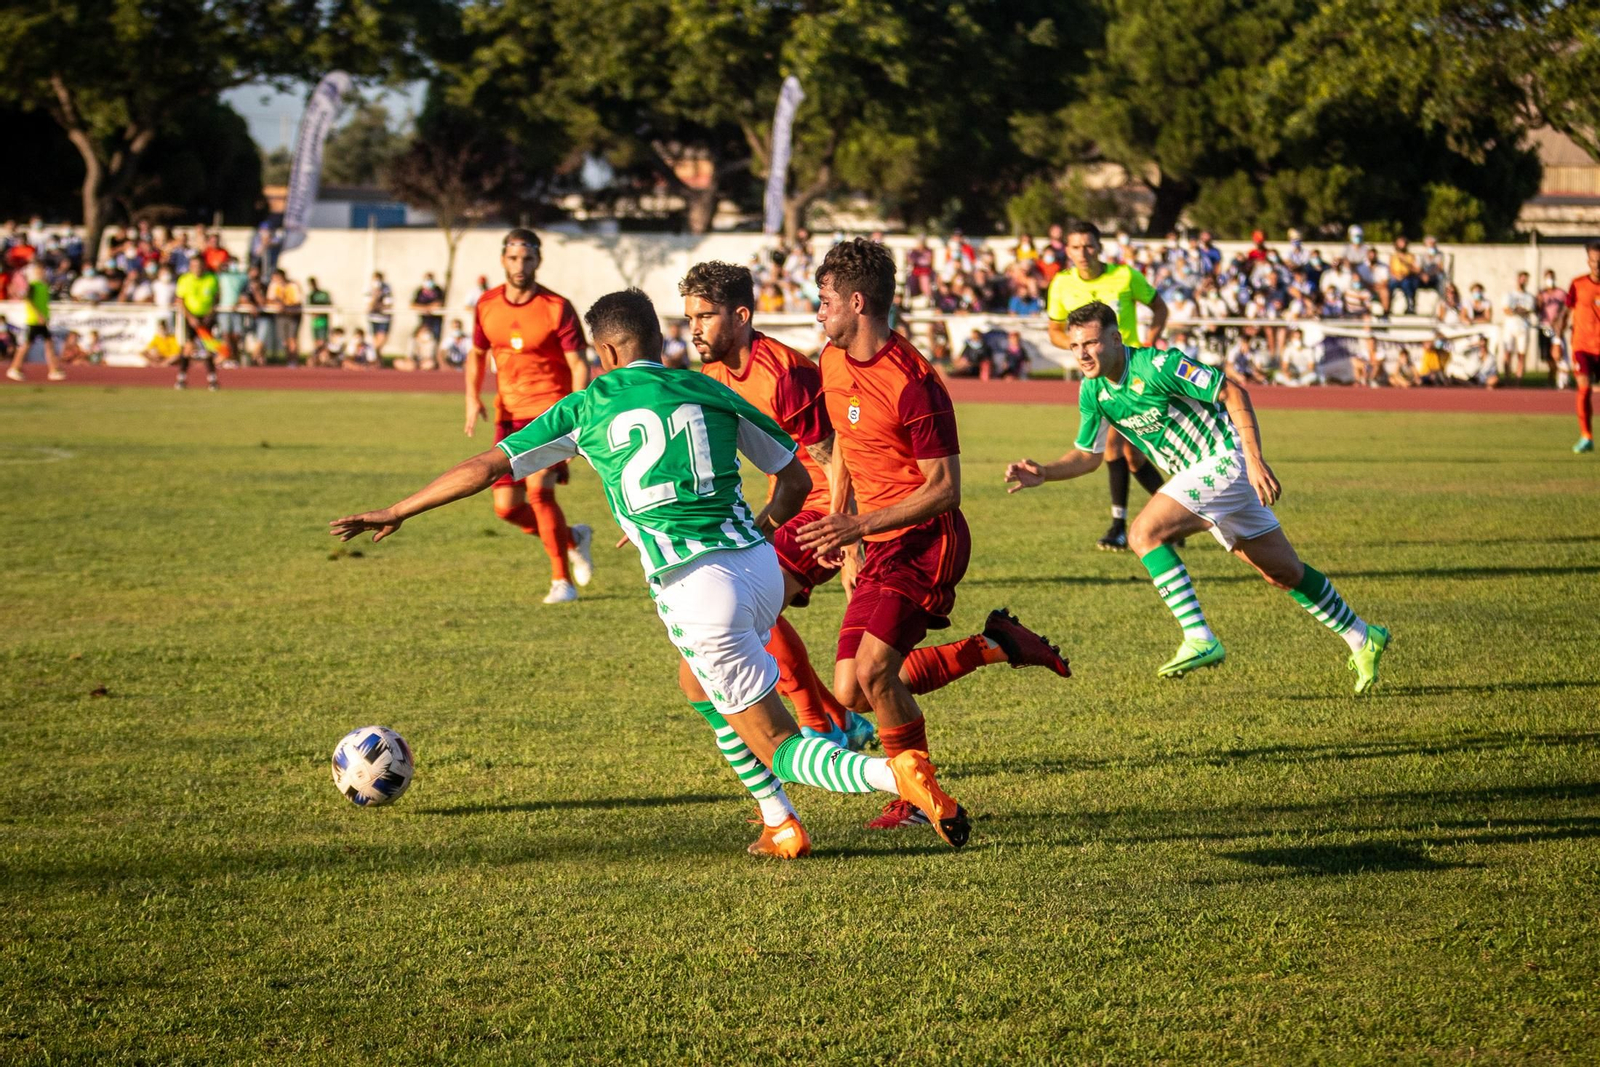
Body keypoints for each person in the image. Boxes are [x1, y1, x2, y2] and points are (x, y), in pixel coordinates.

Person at [331, 287, 973, 855]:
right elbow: (796, 479)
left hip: (697, 588)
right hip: (758, 567)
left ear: (606, 352)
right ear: (657, 340)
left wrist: (400, 508)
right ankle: (780, 822)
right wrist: (753, 531)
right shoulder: (710, 388)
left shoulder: (587, 405)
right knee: (696, 685)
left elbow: (488, 467)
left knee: (778, 744)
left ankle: (897, 775)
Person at [795, 238, 1069, 833]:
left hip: (927, 542)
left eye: (825, 301)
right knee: (852, 690)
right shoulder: (831, 359)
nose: (818, 313)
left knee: (874, 671)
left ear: (857, 303)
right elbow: (844, 448)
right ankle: (994, 645)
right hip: (874, 538)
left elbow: (945, 490)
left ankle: (917, 798)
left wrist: (858, 525)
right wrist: (847, 533)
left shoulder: (915, 382)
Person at [1005, 301, 1390, 693]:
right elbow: (1088, 455)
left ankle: (1199, 636)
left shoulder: (1159, 366)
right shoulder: (1093, 390)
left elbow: (1233, 392)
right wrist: (1046, 472)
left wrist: (1254, 460)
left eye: (1090, 343)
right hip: (1203, 477)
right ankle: (1363, 636)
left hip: (1227, 461)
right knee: (1283, 573)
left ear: (1116, 338)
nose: (1082, 354)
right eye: (1075, 346)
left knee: (1143, 533)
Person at [465, 229, 595, 603]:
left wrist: (576, 417)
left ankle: (562, 582)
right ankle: (572, 538)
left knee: (539, 492)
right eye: (513, 258)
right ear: (502, 260)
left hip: (551, 413)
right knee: (506, 508)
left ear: (539, 261)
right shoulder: (487, 305)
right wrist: (472, 397)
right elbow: (477, 353)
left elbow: (578, 364)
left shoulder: (557, 307)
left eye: (527, 258)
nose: (520, 265)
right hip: (509, 415)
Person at [1046, 219, 1170, 551]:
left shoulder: (1125, 276)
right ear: (1067, 250)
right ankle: (1174, 517)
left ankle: (1119, 526)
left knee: (1114, 448)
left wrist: (1150, 340)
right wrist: (1082, 347)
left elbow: (1159, 307)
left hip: (1132, 373)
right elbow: (1054, 331)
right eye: (1076, 247)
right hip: (1097, 377)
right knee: (1133, 457)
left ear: (1100, 247)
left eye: (1089, 245)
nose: (1083, 252)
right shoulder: (1061, 283)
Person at [1563, 241, 1600, 453]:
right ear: (1588, 262)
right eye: (1594, 261)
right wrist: (1556, 341)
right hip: (1582, 346)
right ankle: (1586, 436)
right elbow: (1566, 311)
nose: (1597, 265)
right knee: (1584, 389)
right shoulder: (1577, 284)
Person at [7, 264, 66, 382]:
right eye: (39, 271)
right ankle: (14, 368)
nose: (41, 273)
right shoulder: (33, 286)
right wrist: (38, 315)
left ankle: (53, 370)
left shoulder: (44, 286)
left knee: (48, 344)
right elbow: (28, 300)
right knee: (27, 345)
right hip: (34, 320)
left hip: (41, 321)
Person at [174, 257, 220, 391]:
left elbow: (216, 298)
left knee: (208, 348)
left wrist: (210, 314)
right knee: (188, 347)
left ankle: (212, 379)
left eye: (199, 266)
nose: (197, 268)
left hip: (206, 318)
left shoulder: (211, 279)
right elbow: (180, 300)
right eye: (194, 265)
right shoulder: (184, 280)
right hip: (190, 317)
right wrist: (190, 317)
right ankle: (181, 378)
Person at [1499, 272, 1536, 383]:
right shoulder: (1509, 295)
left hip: (1523, 327)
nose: (1523, 281)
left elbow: (1528, 310)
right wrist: (1516, 310)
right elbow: (1506, 310)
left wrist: (1515, 310)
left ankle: (1518, 379)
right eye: (1521, 279)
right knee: (1507, 352)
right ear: (1517, 279)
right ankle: (1507, 378)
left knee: (1521, 354)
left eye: (1525, 279)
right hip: (1510, 327)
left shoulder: (1529, 297)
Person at [1536, 270, 1569, 388]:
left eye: (1551, 277)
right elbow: (1537, 310)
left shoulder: (1561, 293)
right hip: (1546, 326)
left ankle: (1561, 380)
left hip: (1557, 327)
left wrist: (1561, 323)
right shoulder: (1542, 294)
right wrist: (1539, 301)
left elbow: (1567, 309)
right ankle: (1552, 377)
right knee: (1548, 354)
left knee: (1558, 350)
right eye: (1548, 277)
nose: (1550, 280)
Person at [268, 268, 303, 366]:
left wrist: (286, 306)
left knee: (292, 338)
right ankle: (288, 359)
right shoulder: (274, 285)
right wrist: (277, 303)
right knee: (284, 340)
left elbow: (298, 301)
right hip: (280, 315)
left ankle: (294, 360)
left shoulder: (293, 285)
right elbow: (269, 299)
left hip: (292, 314)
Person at [412, 273, 445, 340]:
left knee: (436, 336)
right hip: (424, 318)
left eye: (430, 279)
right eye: (427, 279)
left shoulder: (437, 290)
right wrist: (424, 308)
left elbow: (439, 303)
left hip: (435, 318)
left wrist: (429, 308)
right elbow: (413, 305)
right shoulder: (420, 291)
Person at [367, 272, 393, 354]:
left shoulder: (386, 289)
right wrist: (375, 296)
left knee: (380, 341)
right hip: (373, 318)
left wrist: (377, 306)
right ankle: (376, 357)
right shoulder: (368, 288)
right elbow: (369, 306)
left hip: (383, 319)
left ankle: (375, 356)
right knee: (374, 342)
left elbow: (388, 305)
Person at [307, 277, 332, 350]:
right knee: (316, 340)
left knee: (322, 340)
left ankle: (323, 354)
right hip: (315, 321)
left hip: (322, 320)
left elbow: (328, 305)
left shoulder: (323, 294)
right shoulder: (311, 295)